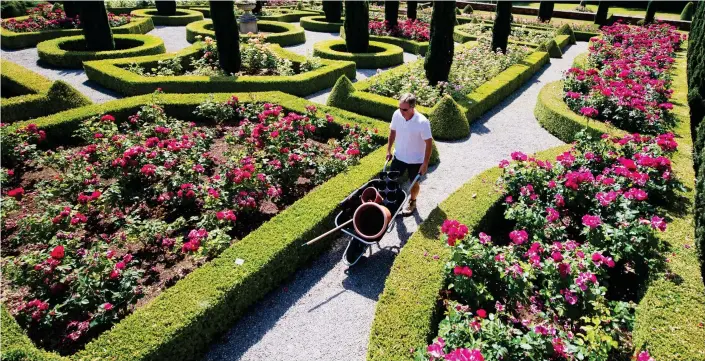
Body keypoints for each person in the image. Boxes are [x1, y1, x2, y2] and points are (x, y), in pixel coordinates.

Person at [386, 93, 433, 216]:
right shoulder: (397, 114)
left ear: (413, 107)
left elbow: (429, 143)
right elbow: (392, 131)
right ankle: (394, 201)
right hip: (399, 156)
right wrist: (388, 150)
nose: (401, 111)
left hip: (416, 160)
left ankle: (412, 201)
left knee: (414, 183)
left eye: (404, 109)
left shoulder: (422, 122)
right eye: (400, 108)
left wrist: (425, 163)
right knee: (391, 180)